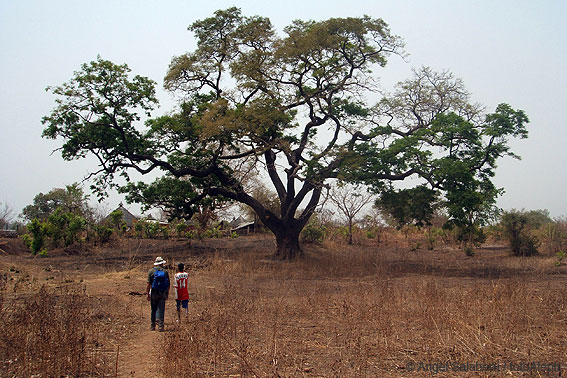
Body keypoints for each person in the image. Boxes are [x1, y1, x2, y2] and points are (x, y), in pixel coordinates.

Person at [146, 256, 170, 332]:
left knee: (153, 309)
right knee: (161, 309)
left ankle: (152, 326)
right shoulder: (165, 272)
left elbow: (148, 284)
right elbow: (168, 285)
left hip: (154, 293)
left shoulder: (151, 271)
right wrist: (167, 293)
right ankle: (161, 326)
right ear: (162, 263)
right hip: (162, 293)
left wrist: (148, 294)